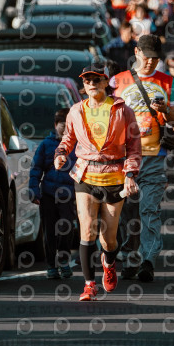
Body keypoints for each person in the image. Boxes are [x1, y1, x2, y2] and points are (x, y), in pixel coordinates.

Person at [54, 64, 141, 301]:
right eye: (87, 80)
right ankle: (89, 285)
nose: (91, 84)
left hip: (114, 176)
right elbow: (68, 138)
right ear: (83, 85)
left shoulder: (123, 110)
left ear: (105, 82)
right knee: (87, 229)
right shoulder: (76, 110)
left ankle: (109, 262)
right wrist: (61, 154)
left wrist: (130, 174)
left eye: (96, 79)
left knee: (108, 239)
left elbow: (134, 146)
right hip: (85, 175)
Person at [111, 34, 174, 281]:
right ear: (137, 52)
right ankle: (131, 258)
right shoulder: (118, 81)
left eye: (155, 58)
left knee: (149, 209)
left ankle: (148, 260)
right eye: (147, 57)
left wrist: (166, 111)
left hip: (154, 156)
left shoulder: (167, 81)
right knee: (127, 212)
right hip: (124, 158)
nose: (151, 62)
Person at [29, 108, 77, 279]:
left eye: (68, 126)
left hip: (68, 195)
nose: (64, 129)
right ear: (55, 125)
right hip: (48, 194)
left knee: (66, 229)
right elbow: (36, 169)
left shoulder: (77, 145)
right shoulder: (46, 144)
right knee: (49, 231)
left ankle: (63, 261)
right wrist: (34, 191)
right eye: (62, 125)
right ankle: (51, 265)